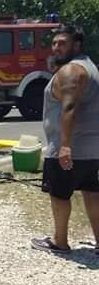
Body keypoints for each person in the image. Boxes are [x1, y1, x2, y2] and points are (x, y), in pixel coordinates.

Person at [31, 24, 99, 254]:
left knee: (59, 194)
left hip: (70, 146)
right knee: (92, 192)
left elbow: (69, 106)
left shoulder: (72, 70)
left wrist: (65, 146)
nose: (56, 47)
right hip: (93, 148)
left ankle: (60, 241)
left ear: (77, 44)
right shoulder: (90, 68)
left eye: (63, 43)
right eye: (54, 43)